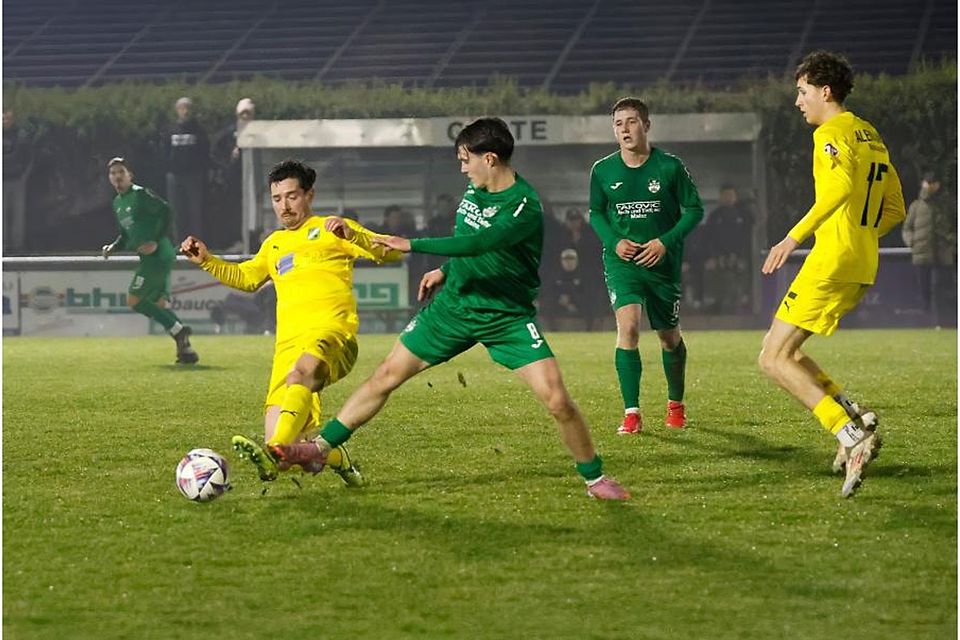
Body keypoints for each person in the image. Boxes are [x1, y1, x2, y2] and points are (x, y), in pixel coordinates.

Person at [269, 118, 630, 500]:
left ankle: (595, 479)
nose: (462, 167)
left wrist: (413, 244)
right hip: (453, 308)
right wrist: (445, 269)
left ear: (489, 158)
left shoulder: (525, 206)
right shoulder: (474, 190)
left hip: (504, 316)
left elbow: (482, 242)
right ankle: (318, 449)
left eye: (465, 159)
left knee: (557, 399)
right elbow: (465, 244)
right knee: (386, 375)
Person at [180, 159, 402, 486]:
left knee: (298, 383)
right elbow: (247, 278)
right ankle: (335, 459)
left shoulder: (332, 228)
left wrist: (354, 234)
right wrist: (208, 262)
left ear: (309, 195)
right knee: (293, 459)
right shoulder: (274, 244)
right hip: (287, 347)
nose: (284, 206)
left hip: (332, 335)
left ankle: (273, 451)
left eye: (292, 196)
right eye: (277, 199)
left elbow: (393, 252)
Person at [759, 51, 906, 498]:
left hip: (832, 258)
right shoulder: (870, 135)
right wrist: (860, 234)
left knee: (771, 359)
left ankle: (848, 434)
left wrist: (792, 238)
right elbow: (895, 207)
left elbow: (840, 188)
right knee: (788, 351)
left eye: (802, 92)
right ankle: (856, 415)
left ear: (825, 91)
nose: (798, 101)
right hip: (863, 260)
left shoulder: (830, 132)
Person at [588, 97, 704, 435]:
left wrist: (664, 242)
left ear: (647, 126)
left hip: (662, 264)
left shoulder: (669, 167)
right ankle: (631, 413)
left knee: (668, 337)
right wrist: (614, 242)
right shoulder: (602, 170)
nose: (625, 129)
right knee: (629, 329)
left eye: (632, 121)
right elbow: (596, 213)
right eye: (618, 123)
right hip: (622, 263)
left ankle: (676, 404)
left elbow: (695, 210)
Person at [101, 157, 199, 364]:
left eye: (121, 172)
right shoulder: (118, 203)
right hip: (152, 256)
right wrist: (114, 247)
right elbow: (126, 234)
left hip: (158, 254)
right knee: (159, 303)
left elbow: (166, 211)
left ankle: (179, 331)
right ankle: (186, 350)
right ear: (109, 178)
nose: (117, 176)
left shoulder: (140, 194)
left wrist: (155, 240)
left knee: (134, 300)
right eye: (113, 173)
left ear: (130, 176)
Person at [902, 171, 957, 324]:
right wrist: (912, 242)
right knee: (924, 290)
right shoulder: (916, 206)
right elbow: (907, 228)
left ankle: (940, 321)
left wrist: (952, 241)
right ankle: (928, 320)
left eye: (933, 183)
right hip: (921, 254)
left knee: (938, 288)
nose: (930, 186)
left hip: (942, 255)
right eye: (928, 183)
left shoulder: (946, 205)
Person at [164, 96, 210, 241]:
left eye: (188, 108)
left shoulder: (198, 130)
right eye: (182, 108)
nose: (185, 111)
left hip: (193, 176)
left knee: (195, 211)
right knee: (176, 211)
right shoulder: (171, 129)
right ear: (177, 110)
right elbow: (164, 150)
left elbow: (205, 150)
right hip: (175, 176)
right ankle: (179, 243)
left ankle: (197, 243)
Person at [3, 107, 34, 253]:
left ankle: (17, 246)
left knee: (18, 214)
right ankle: (3, 245)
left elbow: (29, 157)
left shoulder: (21, 135)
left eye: (7, 118)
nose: (5, 121)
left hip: (17, 180)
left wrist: (24, 176)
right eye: (3, 118)